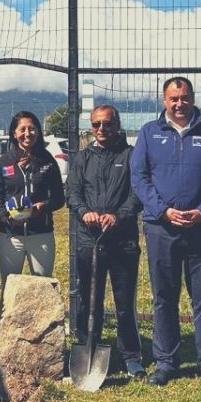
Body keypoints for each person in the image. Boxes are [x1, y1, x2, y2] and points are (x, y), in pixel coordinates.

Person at [131, 77, 201, 393]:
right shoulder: (150, 133)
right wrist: (163, 210)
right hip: (161, 228)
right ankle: (165, 362)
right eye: (173, 98)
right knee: (164, 298)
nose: (179, 104)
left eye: (184, 97)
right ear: (164, 100)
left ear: (192, 98)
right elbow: (139, 177)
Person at [66, 105, 145, 378]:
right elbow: (72, 192)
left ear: (117, 125)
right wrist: (84, 212)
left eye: (107, 124)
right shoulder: (82, 158)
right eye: (97, 124)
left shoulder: (132, 156)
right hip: (90, 240)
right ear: (91, 127)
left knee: (124, 303)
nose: (102, 129)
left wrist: (119, 216)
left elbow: (138, 194)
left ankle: (131, 355)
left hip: (122, 241)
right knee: (90, 300)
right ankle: (89, 345)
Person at [0, 110, 66, 291]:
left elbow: (59, 198)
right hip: (10, 236)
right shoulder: (3, 162)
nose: (27, 133)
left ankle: (46, 321)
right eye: (22, 129)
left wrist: (44, 206)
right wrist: (7, 218)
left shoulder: (47, 161)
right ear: (14, 133)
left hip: (41, 234)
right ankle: (6, 320)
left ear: (38, 132)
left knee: (43, 288)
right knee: (9, 289)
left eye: (31, 129)